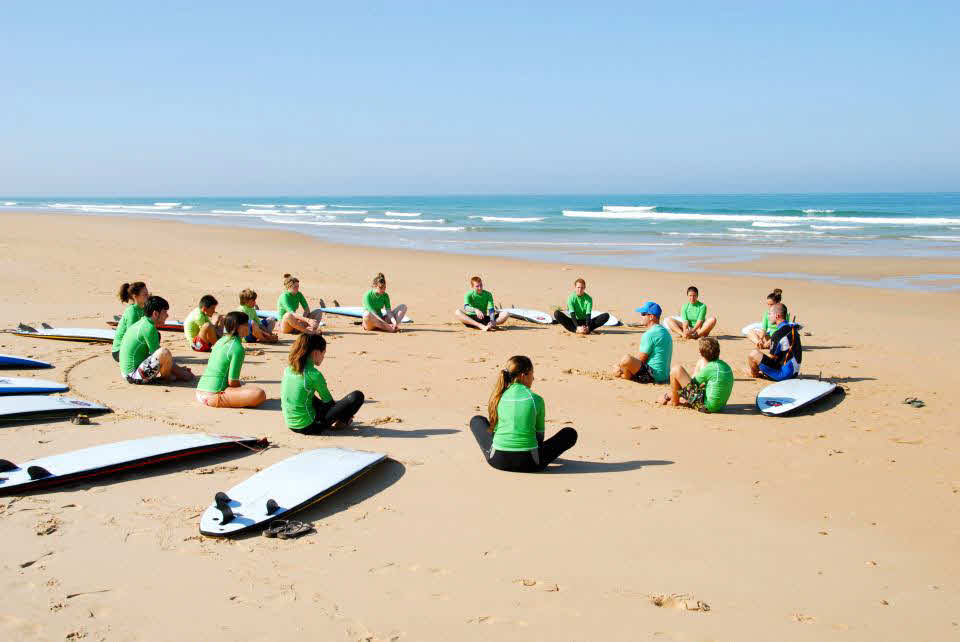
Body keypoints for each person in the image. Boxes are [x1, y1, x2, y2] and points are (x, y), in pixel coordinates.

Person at [469, 355, 578, 472]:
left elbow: (494, 431)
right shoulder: (536, 399)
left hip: (497, 460)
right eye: (532, 374)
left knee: (477, 420)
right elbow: (539, 437)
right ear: (523, 375)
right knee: (570, 433)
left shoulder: (498, 397)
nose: (533, 378)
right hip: (530, 463)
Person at [281, 333, 365, 433]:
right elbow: (328, 403)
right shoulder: (314, 375)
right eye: (323, 353)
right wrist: (345, 413)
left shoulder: (288, 369)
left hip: (290, 423)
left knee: (307, 394)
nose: (323, 357)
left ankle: (342, 419)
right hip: (310, 427)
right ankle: (343, 421)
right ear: (316, 353)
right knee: (357, 396)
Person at [195, 311, 266, 408]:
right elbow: (232, 382)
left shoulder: (221, 341)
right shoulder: (237, 348)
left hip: (200, 390)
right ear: (239, 327)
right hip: (214, 395)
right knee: (259, 394)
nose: (249, 326)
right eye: (246, 324)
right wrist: (241, 392)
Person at [119, 295, 193, 383]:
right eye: (164, 312)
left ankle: (171, 375)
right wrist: (182, 373)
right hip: (133, 376)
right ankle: (168, 378)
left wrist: (178, 369)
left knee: (163, 352)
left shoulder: (143, 322)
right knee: (164, 352)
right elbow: (161, 355)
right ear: (155, 314)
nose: (167, 315)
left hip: (129, 373)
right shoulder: (149, 328)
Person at [660, 337, 734, 412]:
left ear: (701, 353)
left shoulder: (709, 368)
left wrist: (668, 396)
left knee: (676, 370)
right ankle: (677, 399)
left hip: (707, 407)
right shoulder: (725, 366)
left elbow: (690, 387)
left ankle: (673, 401)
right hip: (720, 407)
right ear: (718, 351)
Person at [615, 301, 673, 383]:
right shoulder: (665, 331)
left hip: (654, 376)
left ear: (651, 317)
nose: (641, 316)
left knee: (626, 360)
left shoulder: (649, 334)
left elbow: (641, 359)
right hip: (665, 375)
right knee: (625, 363)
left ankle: (623, 375)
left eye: (643, 314)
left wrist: (621, 367)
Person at [747, 303, 802, 381]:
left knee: (753, 354)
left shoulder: (778, 334)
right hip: (794, 372)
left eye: (770, 314)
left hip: (784, 375)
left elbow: (772, 358)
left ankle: (754, 374)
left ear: (777, 316)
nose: (768, 317)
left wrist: (757, 365)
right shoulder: (792, 328)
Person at [111, 281, 149, 362]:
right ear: (135, 297)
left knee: (156, 335)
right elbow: (131, 336)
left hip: (131, 346)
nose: (148, 296)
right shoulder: (132, 312)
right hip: (119, 352)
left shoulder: (144, 308)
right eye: (145, 294)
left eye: (147, 294)